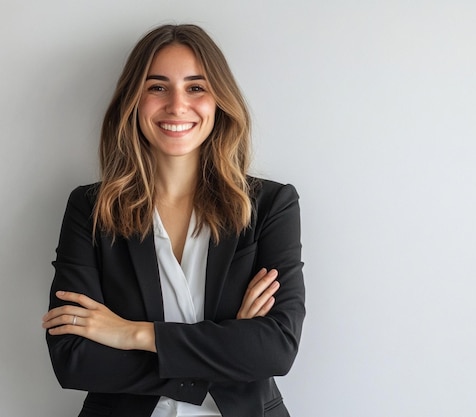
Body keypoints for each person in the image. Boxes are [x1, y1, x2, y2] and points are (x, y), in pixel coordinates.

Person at [42, 24, 305, 417]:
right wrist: (229, 348)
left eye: (196, 87)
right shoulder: (91, 208)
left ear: (219, 100)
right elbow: (75, 359)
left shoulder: (270, 205)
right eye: (157, 87)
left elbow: (276, 349)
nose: (177, 105)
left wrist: (131, 333)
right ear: (134, 100)